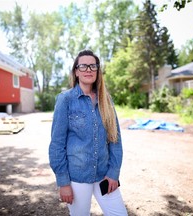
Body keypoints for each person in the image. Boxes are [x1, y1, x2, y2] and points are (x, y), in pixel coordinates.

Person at [49, 49, 128, 216]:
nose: (88, 70)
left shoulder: (106, 100)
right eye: (83, 66)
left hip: (104, 175)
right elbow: (57, 144)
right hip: (77, 178)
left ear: (98, 71)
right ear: (76, 71)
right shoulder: (66, 100)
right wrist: (63, 182)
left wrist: (114, 173)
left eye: (93, 66)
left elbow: (115, 140)